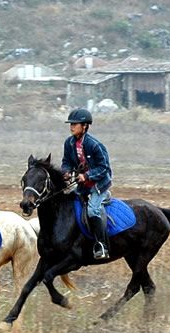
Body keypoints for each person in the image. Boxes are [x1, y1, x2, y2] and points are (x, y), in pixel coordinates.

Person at [60, 108, 112, 260]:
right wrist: (67, 172)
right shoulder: (69, 143)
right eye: (71, 124)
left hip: (98, 185)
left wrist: (87, 175)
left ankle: (102, 245)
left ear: (85, 126)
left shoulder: (95, 145)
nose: (71, 127)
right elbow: (66, 162)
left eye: (75, 124)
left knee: (93, 211)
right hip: (82, 185)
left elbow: (104, 168)